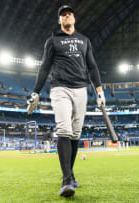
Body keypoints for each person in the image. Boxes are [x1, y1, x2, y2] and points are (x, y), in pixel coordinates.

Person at [26, 5, 105, 197]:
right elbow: (44, 67)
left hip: (81, 90)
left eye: (69, 13)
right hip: (60, 88)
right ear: (59, 21)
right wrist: (36, 92)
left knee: (75, 135)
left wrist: (100, 90)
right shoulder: (52, 41)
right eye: (63, 15)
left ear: (74, 19)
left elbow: (93, 67)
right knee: (64, 129)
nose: (67, 15)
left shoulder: (84, 41)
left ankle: (70, 174)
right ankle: (66, 180)